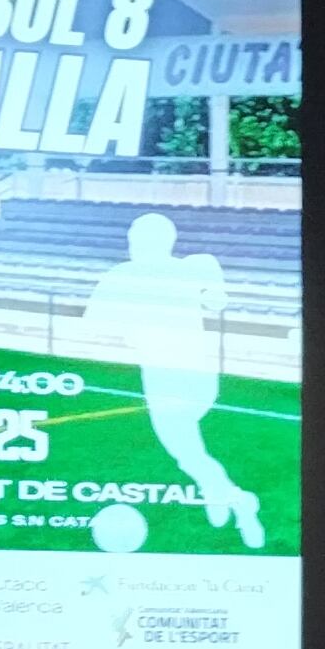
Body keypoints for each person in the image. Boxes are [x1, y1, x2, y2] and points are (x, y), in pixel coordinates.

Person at [82, 211, 263, 547]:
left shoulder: (124, 275)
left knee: (186, 452)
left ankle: (237, 498)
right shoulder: (191, 268)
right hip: (202, 375)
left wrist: (129, 331)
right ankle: (222, 494)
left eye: (135, 238)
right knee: (189, 447)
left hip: (165, 376)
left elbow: (92, 326)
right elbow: (216, 302)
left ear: (140, 241)